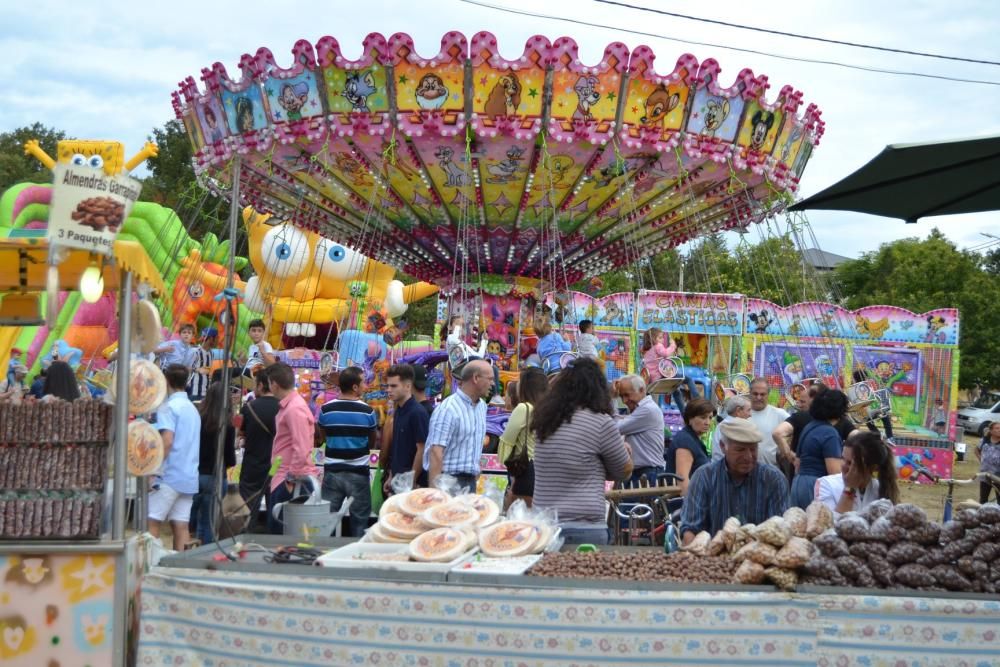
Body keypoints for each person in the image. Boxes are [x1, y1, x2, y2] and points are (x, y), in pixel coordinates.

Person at [531, 358, 633, 545]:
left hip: (542, 528)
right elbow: (623, 471)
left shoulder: (544, 421)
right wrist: (625, 452)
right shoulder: (601, 423)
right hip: (584, 528)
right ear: (598, 388)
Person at [680, 418, 789, 542]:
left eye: (753, 449)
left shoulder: (774, 479)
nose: (748, 457)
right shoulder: (704, 477)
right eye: (740, 450)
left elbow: (780, 532)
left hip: (760, 557)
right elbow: (691, 529)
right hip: (712, 556)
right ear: (722, 447)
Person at [317, 366, 377, 536]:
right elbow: (372, 440)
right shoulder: (368, 412)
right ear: (355, 387)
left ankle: (322, 555)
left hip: (332, 473)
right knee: (360, 523)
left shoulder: (325, 410)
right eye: (363, 382)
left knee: (326, 522)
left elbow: (323, 436)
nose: (366, 385)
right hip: (358, 473)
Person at [149, 364, 201, 550]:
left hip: (169, 475)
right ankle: (182, 565)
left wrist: (153, 468)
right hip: (189, 476)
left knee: (151, 521)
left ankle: (151, 564)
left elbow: (167, 440)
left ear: (166, 381)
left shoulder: (168, 408)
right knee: (181, 525)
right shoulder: (192, 409)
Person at [424, 359, 492, 491]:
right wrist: (435, 493)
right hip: (448, 482)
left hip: (470, 481)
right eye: (490, 379)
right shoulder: (448, 409)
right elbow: (436, 452)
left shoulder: (482, 407)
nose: (492, 383)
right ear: (476, 378)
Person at [267, 362, 318, 534]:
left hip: (291, 480)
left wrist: (290, 479)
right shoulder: (290, 406)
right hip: (284, 477)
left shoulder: (294, 409)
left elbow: (302, 448)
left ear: (274, 384)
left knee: (283, 536)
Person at [772, 383, 855, 480]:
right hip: (821, 485)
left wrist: (791, 456)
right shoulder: (831, 430)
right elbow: (834, 472)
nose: (799, 404)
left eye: (804, 401)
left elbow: (777, 433)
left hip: (799, 480)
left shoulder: (807, 423)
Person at [190, 382, 237, 544]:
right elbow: (230, 457)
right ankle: (206, 552)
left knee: (199, 519)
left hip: (196, 474)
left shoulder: (198, 419)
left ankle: (196, 546)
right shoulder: (227, 424)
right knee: (210, 522)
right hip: (216, 476)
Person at [816, 430, 899, 516]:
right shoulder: (826, 484)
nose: (843, 466)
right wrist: (849, 489)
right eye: (843, 459)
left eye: (851, 463)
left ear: (874, 468)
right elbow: (832, 526)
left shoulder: (879, 488)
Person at [790, 389, 849, 509]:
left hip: (798, 484)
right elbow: (834, 472)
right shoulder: (829, 433)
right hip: (816, 486)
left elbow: (797, 463)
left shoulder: (809, 427)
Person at [498, 367, 547, 507]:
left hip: (523, 471)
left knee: (516, 518)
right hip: (543, 471)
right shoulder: (547, 408)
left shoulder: (523, 408)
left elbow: (506, 442)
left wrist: (510, 476)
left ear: (526, 385)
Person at [238, 369, 280, 531]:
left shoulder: (249, 408)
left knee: (248, 512)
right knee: (275, 511)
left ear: (261, 385)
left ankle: (246, 541)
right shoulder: (283, 407)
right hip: (276, 467)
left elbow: (240, 433)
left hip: (252, 467)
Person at [383, 364, 431, 493]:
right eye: (387, 386)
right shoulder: (399, 410)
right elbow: (397, 448)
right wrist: (391, 476)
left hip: (413, 486)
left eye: (393, 386)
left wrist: (410, 481)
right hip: (398, 481)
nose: (388, 390)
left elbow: (422, 450)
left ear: (408, 386)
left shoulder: (418, 413)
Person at [615, 374, 667, 484]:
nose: (624, 401)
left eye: (627, 395)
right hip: (640, 472)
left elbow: (615, 429)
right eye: (621, 396)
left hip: (647, 473)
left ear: (642, 390)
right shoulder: (639, 409)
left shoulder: (648, 410)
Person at [640, 327, 697, 412]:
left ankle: (684, 413)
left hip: (653, 380)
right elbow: (666, 353)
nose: (662, 340)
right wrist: (673, 345)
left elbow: (661, 361)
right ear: (653, 339)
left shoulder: (647, 351)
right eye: (660, 338)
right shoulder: (658, 346)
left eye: (662, 337)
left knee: (676, 391)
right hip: (662, 377)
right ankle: (698, 399)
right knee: (688, 379)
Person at [665, 398, 714, 495]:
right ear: (690, 419)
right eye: (703, 417)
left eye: (710, 417)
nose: (707, 422)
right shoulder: (685, 441)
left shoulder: (692, 438)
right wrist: (691, 506)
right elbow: (682, 480)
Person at [747, 378, 789, 467]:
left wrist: (786, 448)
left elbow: (796, 429)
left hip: (772, 471)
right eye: (755, 394)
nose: (759, 397)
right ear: (749, 393)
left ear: (768, 394)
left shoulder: (779, 414)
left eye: (762, 394)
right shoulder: (741, 413)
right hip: (746, 470)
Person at [711, 395, 752, 461]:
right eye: (748, 410)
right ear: (738, 411)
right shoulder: (732, 427)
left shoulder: (724, 425)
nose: (750, 415)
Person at [187, 327, 218, 402]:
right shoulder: (195, 351)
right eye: (216, 338)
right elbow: (185, 367)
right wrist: (197, 369)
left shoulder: (211, 353)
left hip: (205, 391)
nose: (217, 341)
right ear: (211, 338)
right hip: (194, 390)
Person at [977, 421, 1000, 503]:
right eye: (997, 428)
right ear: (991, 430)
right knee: (983, 499)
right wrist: (981, 460)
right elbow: (976, 450)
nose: (999, 430)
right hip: (985, 475)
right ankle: (983, 515)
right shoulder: (984, 440)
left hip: (998, 476)